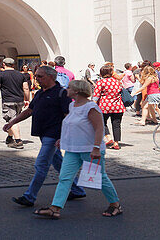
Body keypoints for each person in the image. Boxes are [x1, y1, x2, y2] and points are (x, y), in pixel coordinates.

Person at [35, 78, 122, 219]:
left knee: (100, 177)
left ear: (77, 91)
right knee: (65, 178)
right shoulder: (72, 106)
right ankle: (55, 208)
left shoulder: (91, 107)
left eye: (69, 88)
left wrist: (96, 148)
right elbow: (71, 126)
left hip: (90, 150)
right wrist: (62, 139)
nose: (66, 90)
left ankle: (115, 204)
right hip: (73, 149)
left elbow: (99, 128)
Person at [4, 64, 85, 208]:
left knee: (41, 165)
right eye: (36, 76)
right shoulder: (40, 93)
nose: (37, 79)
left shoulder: (61, 93)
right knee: (58, 163)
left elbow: (68, 117)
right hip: (43, 134)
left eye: (40, 76)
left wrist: (63, 136)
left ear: (51, 77)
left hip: (53, 135)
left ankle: (29, 197)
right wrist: (12, 122)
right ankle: (77, 189)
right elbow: (29, 111)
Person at [0, 57, 31, 149]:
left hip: (8, 101)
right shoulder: (21, 75)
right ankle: (9, 137)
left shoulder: (1, 75)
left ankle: (18, 141)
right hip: (19, 101)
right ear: (13, 65)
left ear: (3, 64)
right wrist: (27, 99)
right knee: (14, 119)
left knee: (12, 120)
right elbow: (26, 88)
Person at [93, 63, 124, 149]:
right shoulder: (117, 82)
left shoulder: (101, 82)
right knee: (116, 124)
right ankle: (116, 143)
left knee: (101, 122)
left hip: (104, 106)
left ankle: (108, 137)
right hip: (118, 106)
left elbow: (96, 95)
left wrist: (93, 104)